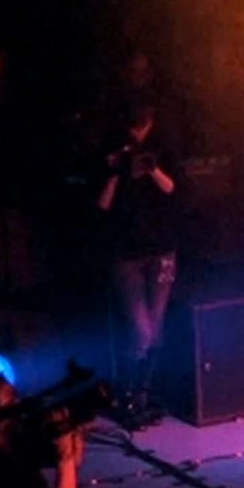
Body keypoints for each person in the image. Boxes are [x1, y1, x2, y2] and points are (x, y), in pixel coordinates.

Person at [96, 101, 179, 427]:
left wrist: (151, 168)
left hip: (161, 252)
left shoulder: (163, 148)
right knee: (140, 330)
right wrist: (115, 173)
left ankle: (143, 396)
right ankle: (128, 396)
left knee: (156, 331)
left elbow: (171, 188)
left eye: (142, 124)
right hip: (127, 256)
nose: (138, 131)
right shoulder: (112, 150)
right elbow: (102, 205)